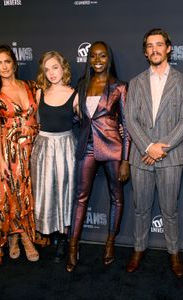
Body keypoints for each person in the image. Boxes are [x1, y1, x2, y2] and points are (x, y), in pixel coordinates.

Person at [124, 28, 183, 278]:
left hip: (170, 157)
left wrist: (160, 148)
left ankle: (174, 253)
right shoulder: (135, 82)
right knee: (141, 208)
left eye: (159, 45)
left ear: (168, 48)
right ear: (145, 52)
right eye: (150, 46)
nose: (154, 49)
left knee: (169, 210)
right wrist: (147, 147)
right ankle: (138, 249)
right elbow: (130, 119)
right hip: (141, 158)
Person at [66, 41, 130, 272]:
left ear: (108, 58)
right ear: (89, 59)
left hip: (113, 147)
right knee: (80, 197)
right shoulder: (82, 84)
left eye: (102, 56)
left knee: (117, 196)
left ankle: (110, 243)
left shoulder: (120, 86)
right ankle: (72, 246)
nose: (98, 60)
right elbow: (80, 119)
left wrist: (125, 159)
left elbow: (127, 125)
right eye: (93, 56)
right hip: (88, 147)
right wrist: (75, 114)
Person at [0, 44, 40, 265]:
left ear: (14, 63)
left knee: (27, 195)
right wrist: (1, 160)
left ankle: (14, 236)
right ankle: (24, 239)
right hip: (10, 152)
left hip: (33, 150)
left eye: (7, 61)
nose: (3, 67)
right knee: (11, 194)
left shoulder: (31, 86)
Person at [31, 51, 78, 263]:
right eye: (47, 69)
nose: (51, 73)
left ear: (63, 68)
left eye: (55, 67)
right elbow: (34, 122)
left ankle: (64, 239)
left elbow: (86, 122)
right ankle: (49, 233)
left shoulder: (74, 94)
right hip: (43, 148)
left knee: (65, 192)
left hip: (66, 147)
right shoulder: (40, 93)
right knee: (46, 192)